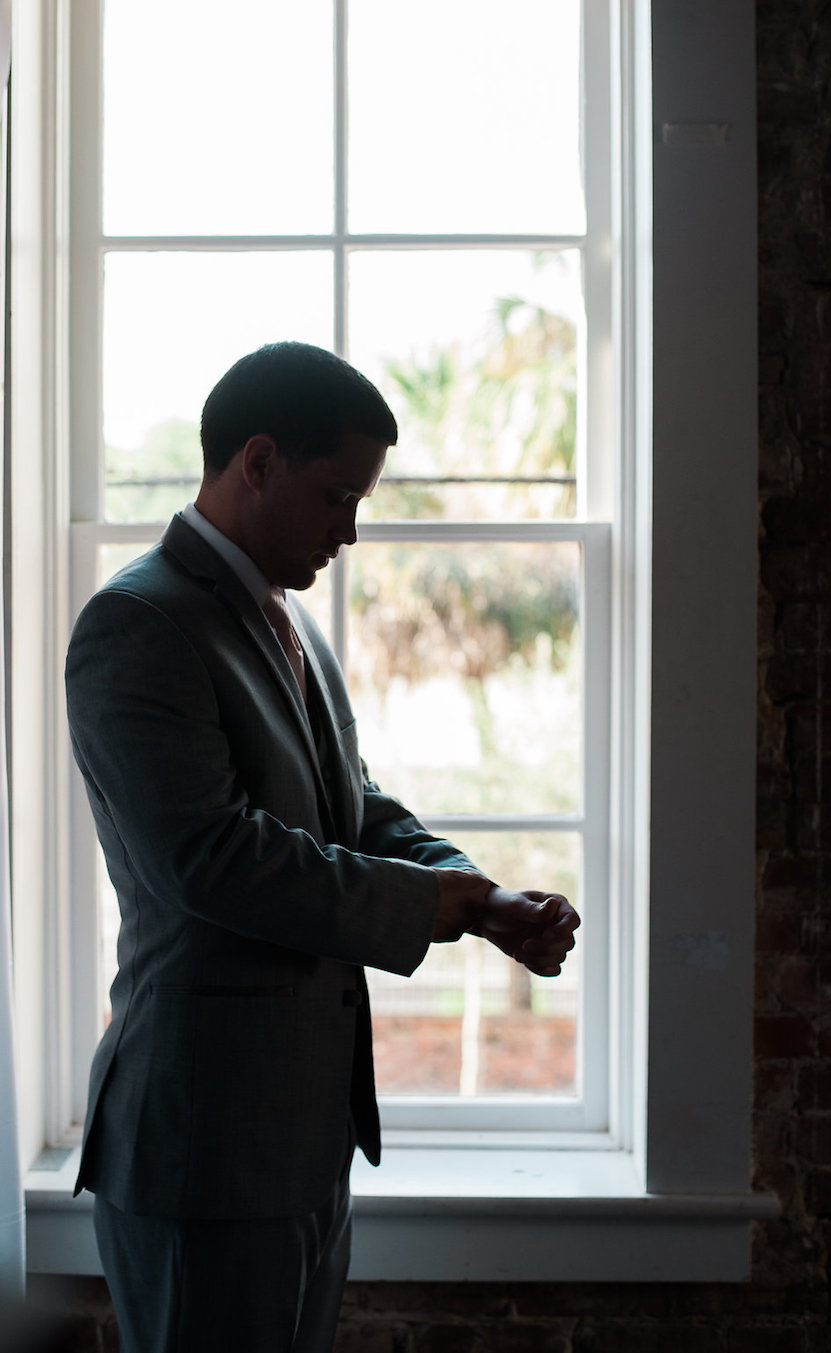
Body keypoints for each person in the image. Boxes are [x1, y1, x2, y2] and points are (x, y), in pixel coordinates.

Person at [65, 341, 580, 1353]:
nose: (352, 530)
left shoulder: (287, 622)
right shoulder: (138, 624)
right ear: (257, 462)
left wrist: (475, 897)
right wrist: (423, 910)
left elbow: (353, 804)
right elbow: (210, 855)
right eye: (339, 495)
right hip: (202, 1145)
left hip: (300, 1144)